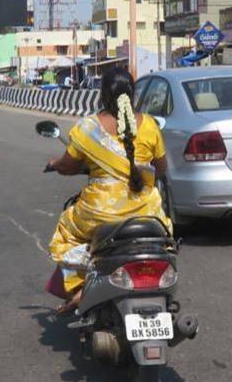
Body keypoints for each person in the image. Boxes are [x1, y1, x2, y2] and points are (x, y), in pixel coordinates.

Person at [46, 68, 171, 313]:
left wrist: (55, 165)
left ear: (102, 94)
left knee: (66, 234)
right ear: (133, 94)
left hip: (99, 212)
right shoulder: (149, 126)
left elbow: (68, 166)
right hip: (147, 211)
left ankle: (81, 287)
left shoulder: (87, 128)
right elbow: (162, 170)